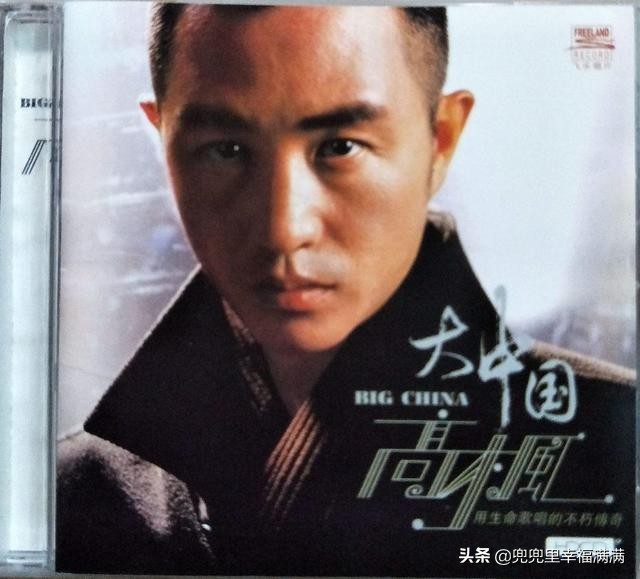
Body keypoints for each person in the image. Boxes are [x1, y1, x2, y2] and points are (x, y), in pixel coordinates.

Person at [57, 4, 635, 576]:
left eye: (340, 147)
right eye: (226, 150)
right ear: (162, 140)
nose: (285, 228)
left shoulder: (616, 449)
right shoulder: (77, 492)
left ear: (440, 140)